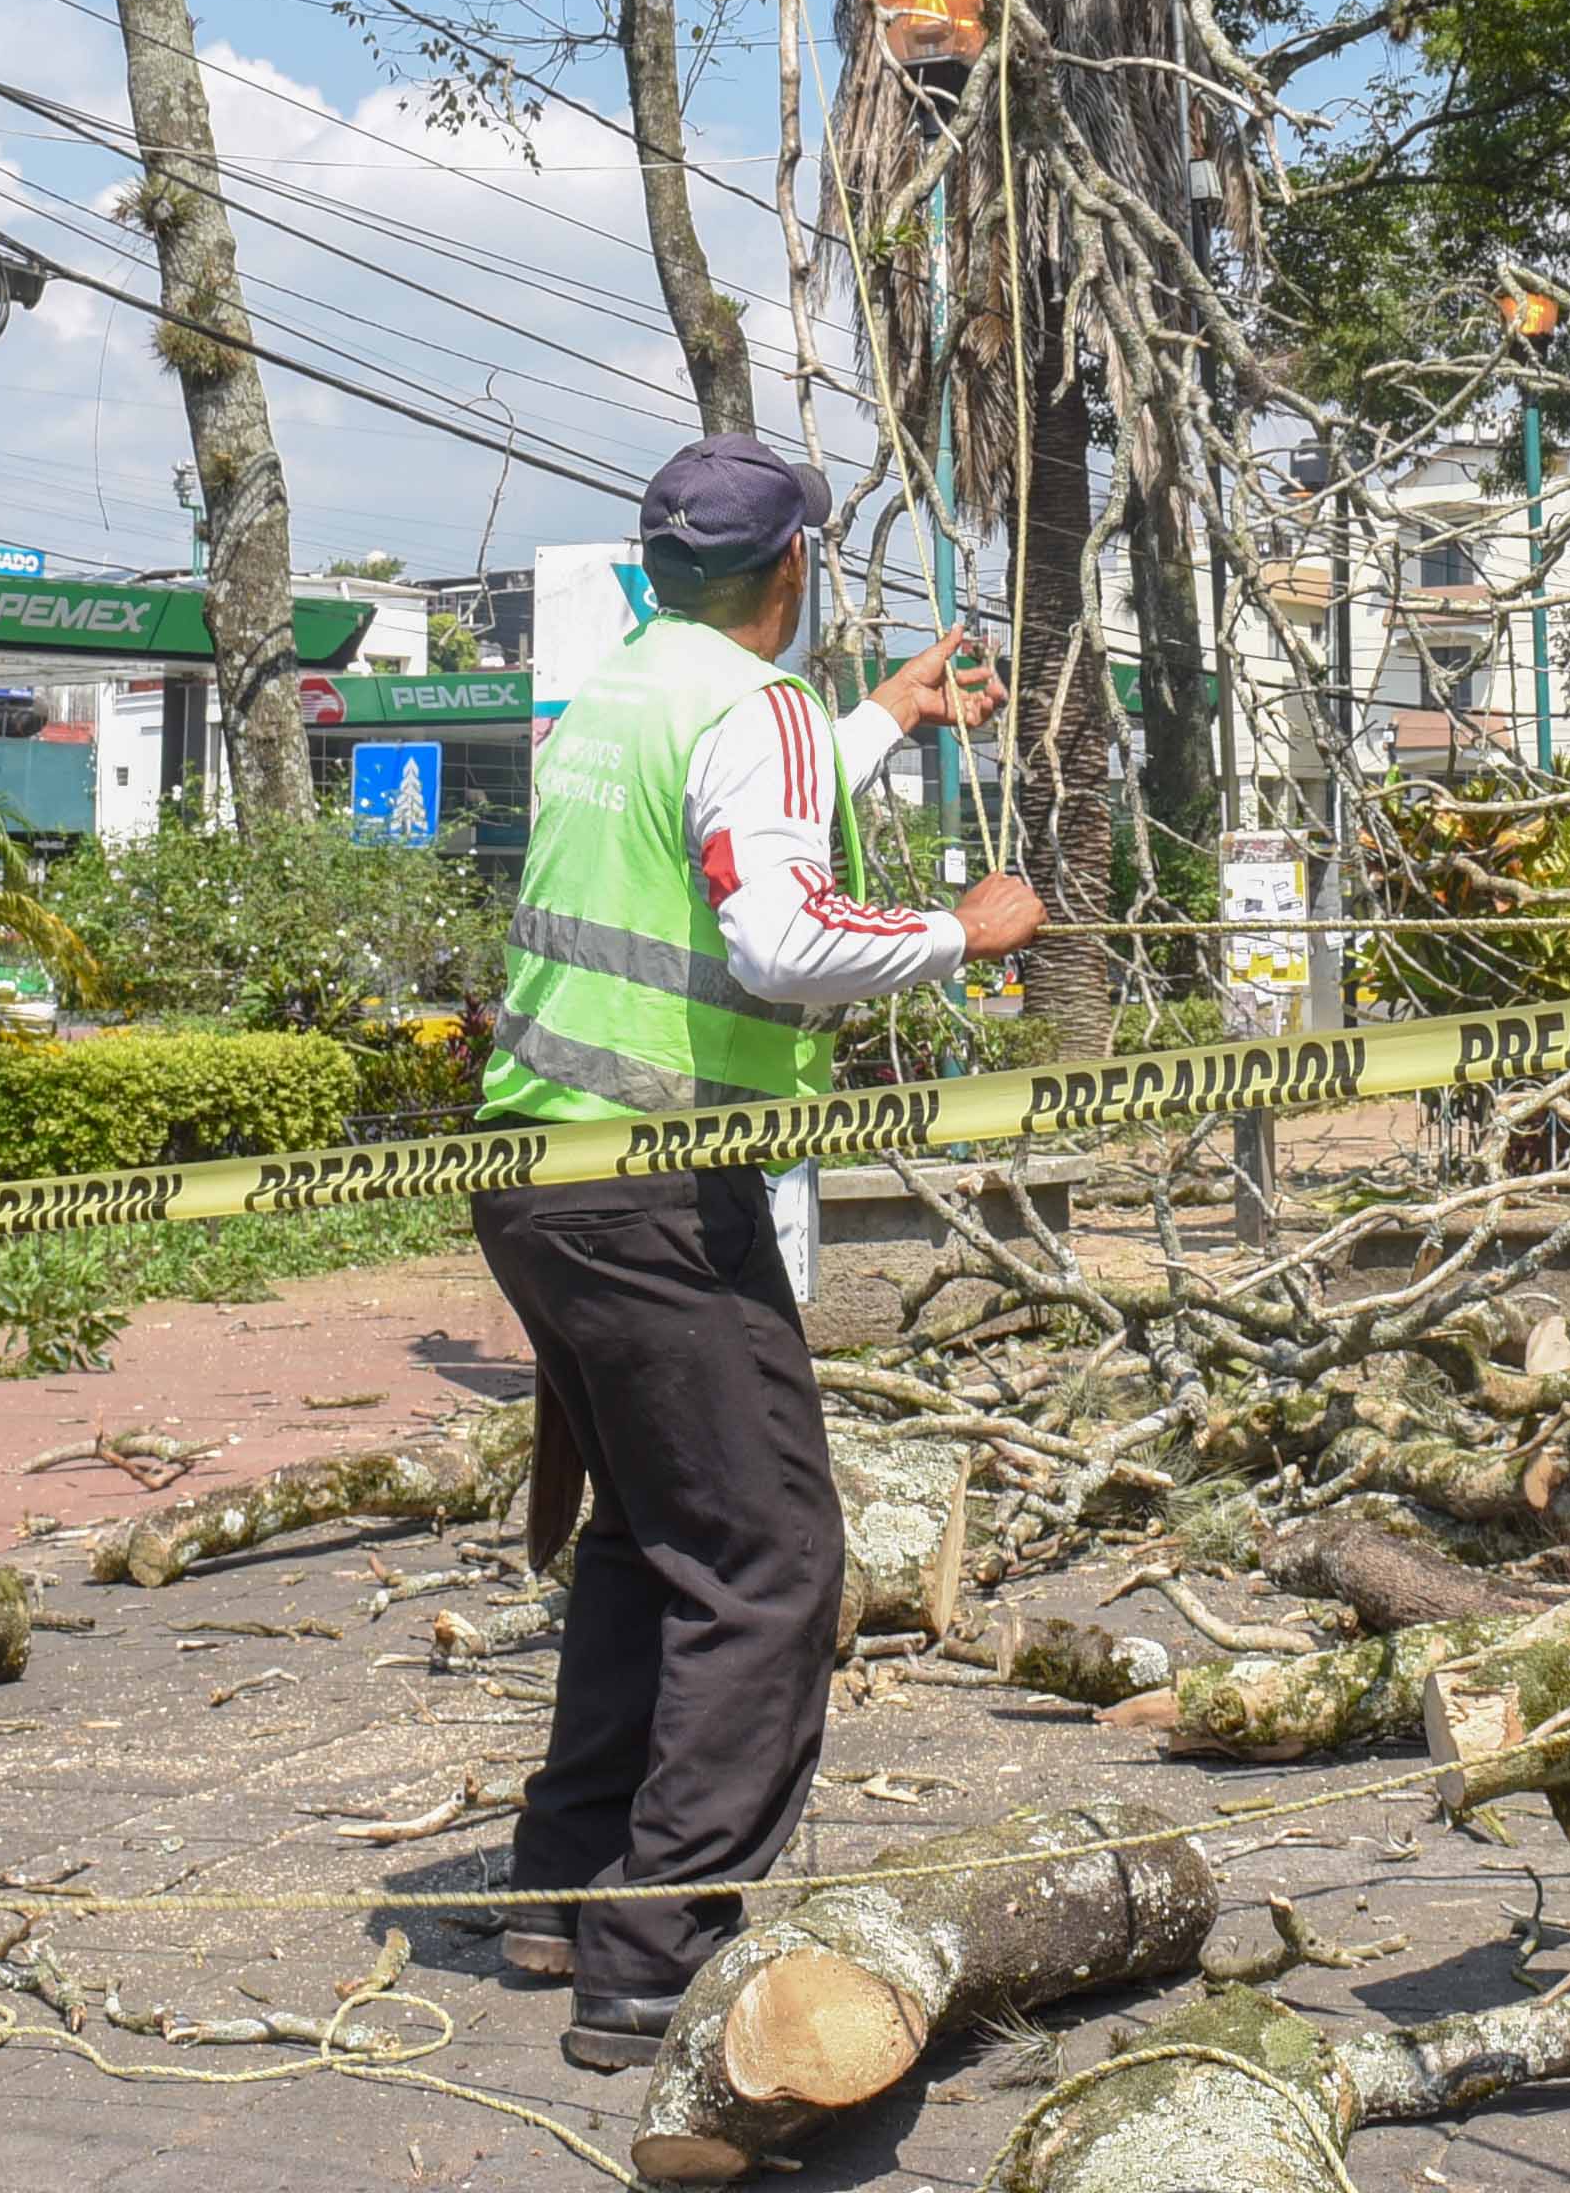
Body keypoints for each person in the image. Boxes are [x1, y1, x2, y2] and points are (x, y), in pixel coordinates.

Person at [470, 434, 1031, 2068]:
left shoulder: (628, 689)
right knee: (776, 1565)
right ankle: (655, 1957)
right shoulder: (755, 708)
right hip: (660, 1190)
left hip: (542, 1173)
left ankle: (566, 1888)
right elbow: (778, 933)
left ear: (663, 573)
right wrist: (958, 933)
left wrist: (888, 718)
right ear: (795, 573)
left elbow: (715, 824)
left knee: (655, 1537)